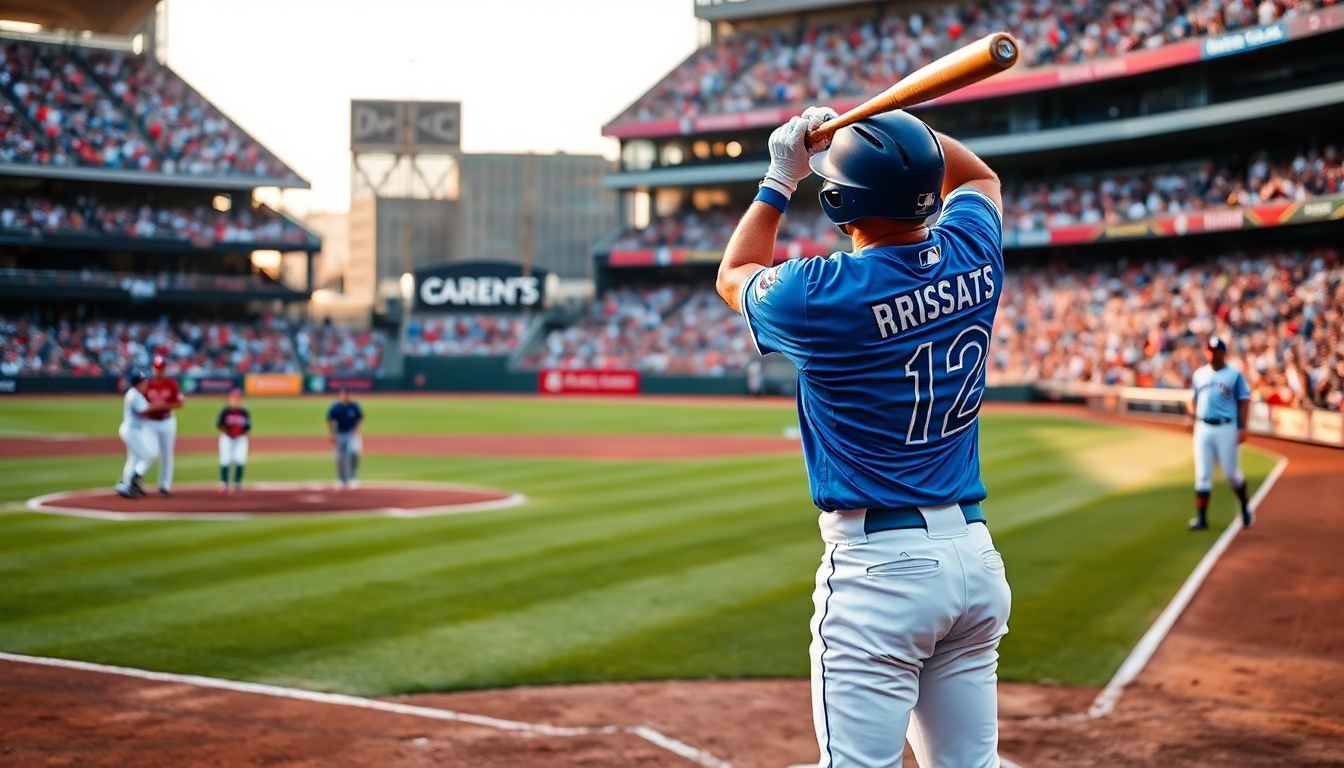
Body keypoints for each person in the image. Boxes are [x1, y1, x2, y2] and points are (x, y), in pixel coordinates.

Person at [716, 107, 1011, 767]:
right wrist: (896, 128)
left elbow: (733, 274)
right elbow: (979, 176)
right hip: (974, 555)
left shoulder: (819, 294)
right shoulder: (973, 249)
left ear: (838, 203)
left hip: (881, 575)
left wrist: (778, 174)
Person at [1187, 336, 1253, 530]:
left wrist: (1242, 427)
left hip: (1227, 427)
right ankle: (1201, 518)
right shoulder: (1199, 374)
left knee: (1232, 475)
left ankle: (1244, 506)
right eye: (1209, 350)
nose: (1211, 353)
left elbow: (1244, 401)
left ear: (1223, 353)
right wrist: (1192, 417)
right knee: (1203, 475)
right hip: (1203, 427)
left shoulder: (1235, 375)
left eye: (1215, 350)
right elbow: (1193, 398)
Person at [143, 355, 185, 495]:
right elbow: (141, 404)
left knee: (167, 454)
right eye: (157, 368)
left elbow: (179, 403)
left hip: (167, 420)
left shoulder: (171, 384)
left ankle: (164, 485)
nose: (159, 371)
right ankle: (137, 482)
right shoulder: (147, 384)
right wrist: (153, 407)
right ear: (153, 368)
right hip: (150, 421)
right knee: (148, 451)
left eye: (161, 368)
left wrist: (163, 405)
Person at [116, 371, 157, 498]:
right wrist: (158, 406)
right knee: (147, 456)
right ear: (137, 383)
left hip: (132, 430)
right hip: (131, 431)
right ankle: (133, 480)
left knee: (133, 459)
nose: (146, 383)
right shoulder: (134, 395)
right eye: (144, 381)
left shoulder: (137, 394)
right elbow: (142, 411)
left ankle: (126, 485)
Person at [326, 388, 363, 489]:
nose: (345, 396)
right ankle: (341, 479)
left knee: (353, 454)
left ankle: (353, 478)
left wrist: (356, 430)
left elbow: (360, 418)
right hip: (340, 434)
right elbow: (329, 420)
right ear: (341, 395)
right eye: (344, 394)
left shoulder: (354, 406)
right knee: (340, 457)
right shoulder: (336, 407)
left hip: (352, 434)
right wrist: (332, 434)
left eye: (347, 394)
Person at [216, 388, 251, 495]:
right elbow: (219, 424)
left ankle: (237, 483)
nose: (236, 400)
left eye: (238, 398)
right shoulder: (225, 412)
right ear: (230, 399)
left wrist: (238, 433)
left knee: (240, 460)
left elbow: (248, 427)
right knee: (225, 460)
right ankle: (224, 484)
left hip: (240, 439)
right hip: (227, 438)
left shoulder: (244, 412)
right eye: (234, 398)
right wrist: (229, 432)